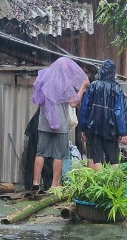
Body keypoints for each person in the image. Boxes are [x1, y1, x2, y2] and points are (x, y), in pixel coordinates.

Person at [31, 57, 89, 190]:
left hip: (44, 123)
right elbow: (74, 102)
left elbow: (38, 100)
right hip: (61, 125)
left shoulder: (44, 79)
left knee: (40, 153)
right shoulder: (65, 84)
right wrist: (83, 87)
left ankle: (35, 182)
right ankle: (54, 185)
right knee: (59, 155)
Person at [79, 59, 127, 170]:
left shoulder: (92, 86)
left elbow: (84, 108)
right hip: (111, 129)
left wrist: (83, 128)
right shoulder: (117, 89)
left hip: (93, 127)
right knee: (114, 159)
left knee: (96, 157)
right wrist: (123, 132)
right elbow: (119, 112)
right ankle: (113, 185)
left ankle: (98, 184)